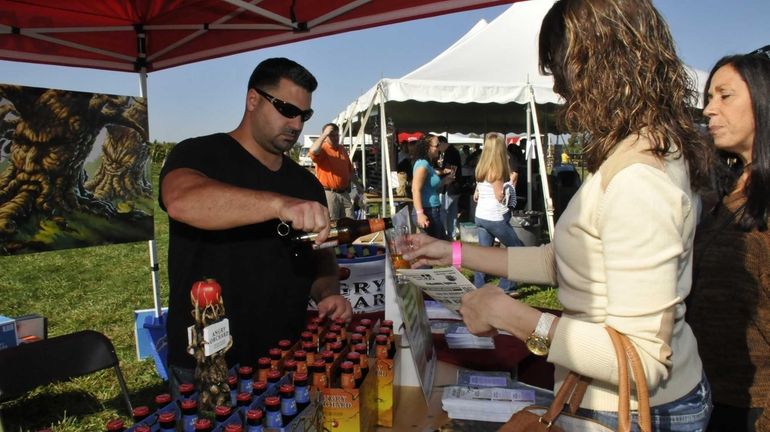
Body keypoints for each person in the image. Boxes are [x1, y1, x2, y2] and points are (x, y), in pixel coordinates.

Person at [404, 0, 713, 430]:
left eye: (563, 71)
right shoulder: (634, 153)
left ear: (602, 66)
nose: (562, 91)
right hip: (602, 396)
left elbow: (641, 360)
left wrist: (509, 314)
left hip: (636, 409)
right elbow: (564, 260)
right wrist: (454, 253)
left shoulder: (640, 178)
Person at [159, 57, 353, 399]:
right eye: (286, 109)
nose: (295, 123)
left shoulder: (305, 184)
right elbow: (181, 200)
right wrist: (278, 205)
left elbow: (320, 257)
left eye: (304, 115)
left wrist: (328, 293)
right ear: (253, 100)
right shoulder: (199, 154)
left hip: (285, 357)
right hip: (209, 363)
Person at [687, 52, 770, 432]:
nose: (708, 109)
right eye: (709, 97)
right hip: (713, 397)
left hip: (755, 408)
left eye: (725, 96)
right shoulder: (732, 193)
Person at [472, 132, 524, 293]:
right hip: (495, 217)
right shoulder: (497, 170)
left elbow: (477, 194)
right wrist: (510, 184)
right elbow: (499, 196)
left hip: (480, 215)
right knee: (517, 250)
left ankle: (478, 285)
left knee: (484, 252)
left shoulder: (482, 167)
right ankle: (506, 286)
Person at [309, 123, 356, 220]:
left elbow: (350, 171)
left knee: (351, 222)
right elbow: (313, 151)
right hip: (330, 193)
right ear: (326, 137)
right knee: (332, 225)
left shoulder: (342, 149)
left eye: (336, 135)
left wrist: (359, 187)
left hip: (344, 193)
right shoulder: (323, 149)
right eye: (331, 135)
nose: (335, 138)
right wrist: (325, 134)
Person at [411, 134, 448, 240]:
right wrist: (420, 214)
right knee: (438, 246)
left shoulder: (427, 163)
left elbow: (429, 187)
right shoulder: (423, 165)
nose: (439, 148)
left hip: (432, 210)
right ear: (427, 147)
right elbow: (415, 189)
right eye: (437, 146)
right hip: (427, 211)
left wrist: (445, 181)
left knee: (439, 244)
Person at [437, 135, 462, 239]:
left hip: (450, 187)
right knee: (452, 212)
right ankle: (452, 235)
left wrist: (445, 184)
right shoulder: (452, 151)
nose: (438, 148)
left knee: (444, 211)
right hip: (455, 187)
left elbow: (452, 172)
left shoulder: (450, 152)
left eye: (438, 145)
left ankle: (444, 235)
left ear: (442, 143)